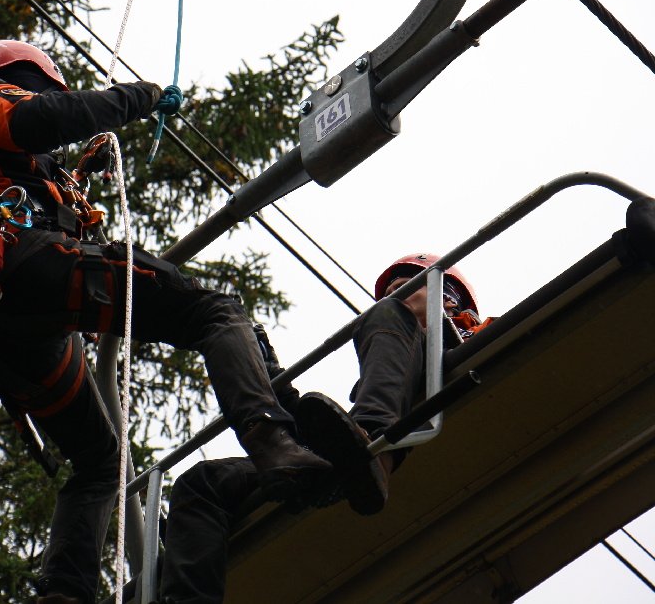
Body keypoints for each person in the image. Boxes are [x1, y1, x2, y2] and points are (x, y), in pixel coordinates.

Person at [0, 40, 332, 604]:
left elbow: (27, 171)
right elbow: (37, 119)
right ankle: (274, 440)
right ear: (22, 76)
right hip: (24, 267)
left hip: (0, 322)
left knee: (100, 463)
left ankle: (63, 594)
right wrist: (135, 98)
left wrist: (74, 176)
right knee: (214, 311)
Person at [159, 255, 492, 604]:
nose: (395, 293)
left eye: (411, 284)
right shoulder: (387, 376)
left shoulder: (478, 339)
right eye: (391, 290)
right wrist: (270, 375)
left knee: (385, 320)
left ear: (449, 297)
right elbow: (311, 439)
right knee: (203, 482)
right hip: (350, 452)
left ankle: (375, 454)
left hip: (380, 439)